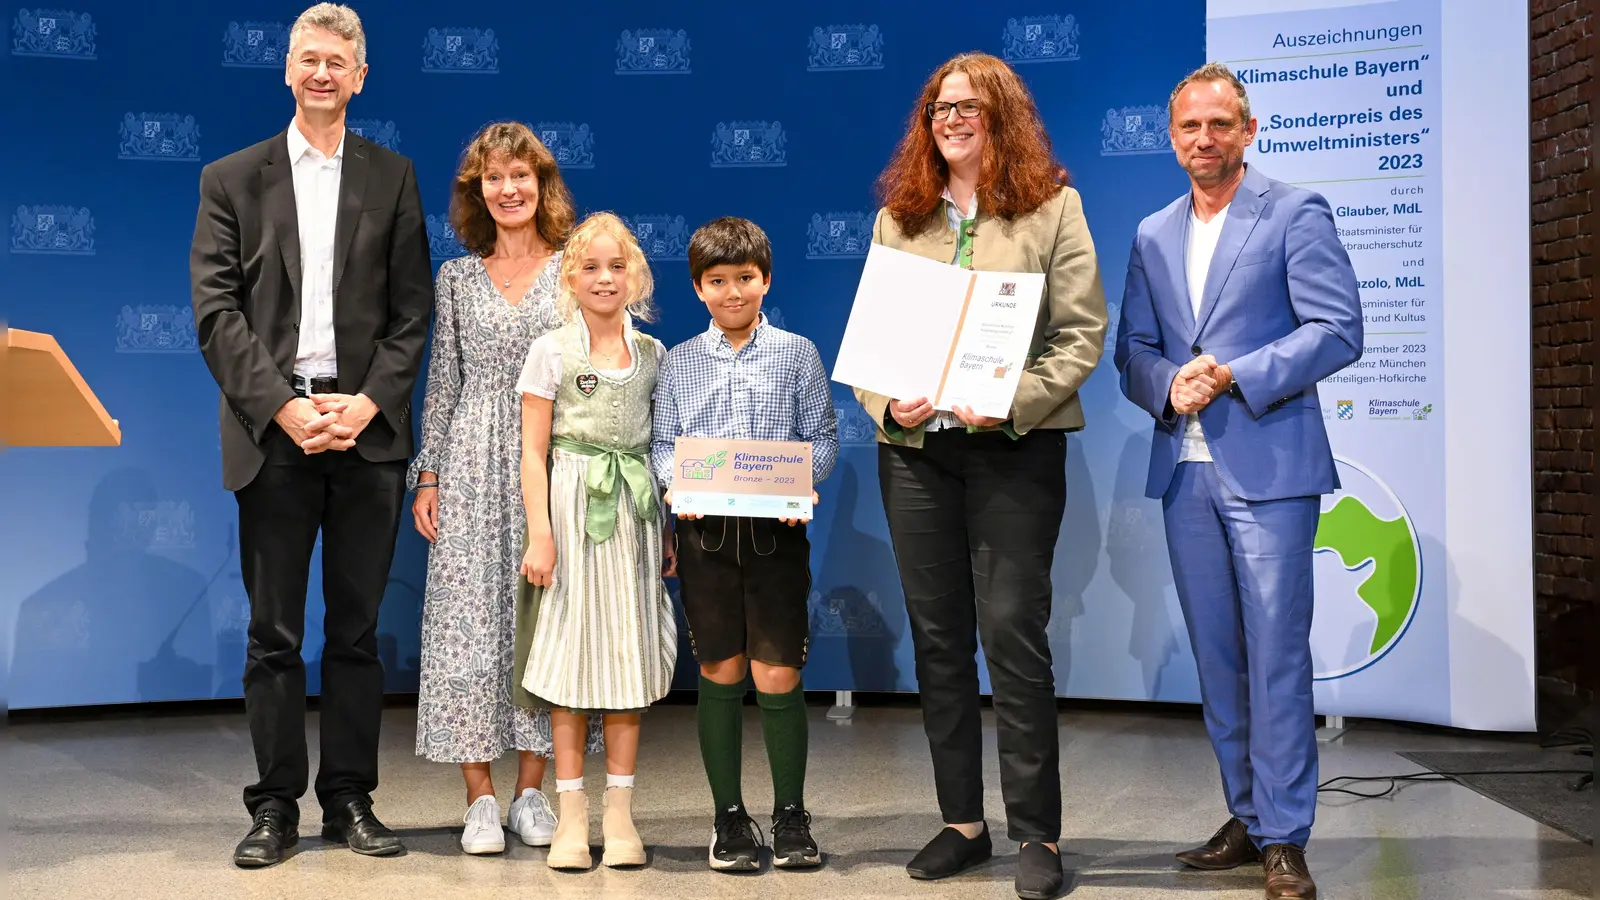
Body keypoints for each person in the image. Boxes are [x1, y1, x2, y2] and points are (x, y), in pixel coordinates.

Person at [853, 52, 1108, 900]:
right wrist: (891, 407)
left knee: (1012, 633)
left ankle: (1038, 832)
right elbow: (873, 351)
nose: (951, 119)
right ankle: (963, 821)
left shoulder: (1053, 208)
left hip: (1014, 450)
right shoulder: (903, 217)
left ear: (1002, 114)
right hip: (918, 457)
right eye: (938, 109)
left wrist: (1015, 400)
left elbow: (1080, 336)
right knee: (938, 639)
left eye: (967, 106)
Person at [188, 3, 432, 868]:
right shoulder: (232, 177)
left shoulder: (393, 176)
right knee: (275, 635)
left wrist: (365, 404)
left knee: (359, 632)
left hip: (365, 436)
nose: (322, 72)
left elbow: (413, 316)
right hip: (274, 432)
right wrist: (282, 407)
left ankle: (351, 799)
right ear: (286, 72)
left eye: (338, 61)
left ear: (361, 76)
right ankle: (274, 806)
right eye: (308, 60)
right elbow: (215, 312)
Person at [1113, 63, 1362, 900]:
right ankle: (1249, 817)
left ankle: (1287, 836)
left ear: (1248, 131)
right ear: (1171, 135)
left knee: (1277, 656)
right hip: (1184, 472)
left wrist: (1234, 373)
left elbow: (1338, 329)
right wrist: (1166, 384)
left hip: (1271, 467)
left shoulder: (1296, 212)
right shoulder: (1152, 233)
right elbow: (1132, 352)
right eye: (1189, 126)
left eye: (1220, 125)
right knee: (1219, 661)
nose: (1204, 139)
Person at [407, 122, 604, 857]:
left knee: (540, 625)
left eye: (521, 175)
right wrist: (428, 473)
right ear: (476, 191)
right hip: (467, 457)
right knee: (466, 627)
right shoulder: (457, 277)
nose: (509, 189)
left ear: (542, 185)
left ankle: (531, 791)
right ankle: (479, 800)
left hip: (550, 460)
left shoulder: (572, 271)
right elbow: (442, 384)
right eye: (494, 177)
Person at [650, 217, 840, 872]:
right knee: (720, 669)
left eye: (746, 279)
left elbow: (821, 439)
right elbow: (662, 447)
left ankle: (791, 813)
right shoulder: (677, 361)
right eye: (718, 281)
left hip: (777, 537)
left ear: (767, 279)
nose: (733, 292)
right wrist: (675, 486)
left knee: (779, 671)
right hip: (705, 536)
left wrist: (801, 483)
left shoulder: (798, 353)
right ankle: (729, 817)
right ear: (700, 288)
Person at [512, 211, 678, 871]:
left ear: (634, 276)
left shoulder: (654, 354)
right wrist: (541, 534)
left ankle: (621, 815)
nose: (604, 278)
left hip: (633, 514)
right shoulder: (552, 350)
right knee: (573, 665)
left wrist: (662, 526)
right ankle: (572, 816)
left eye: (617, 266)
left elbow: (659, 447)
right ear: (570, 277)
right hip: (574, 507)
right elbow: (531, 451)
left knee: (624, 660)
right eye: (590, 267)